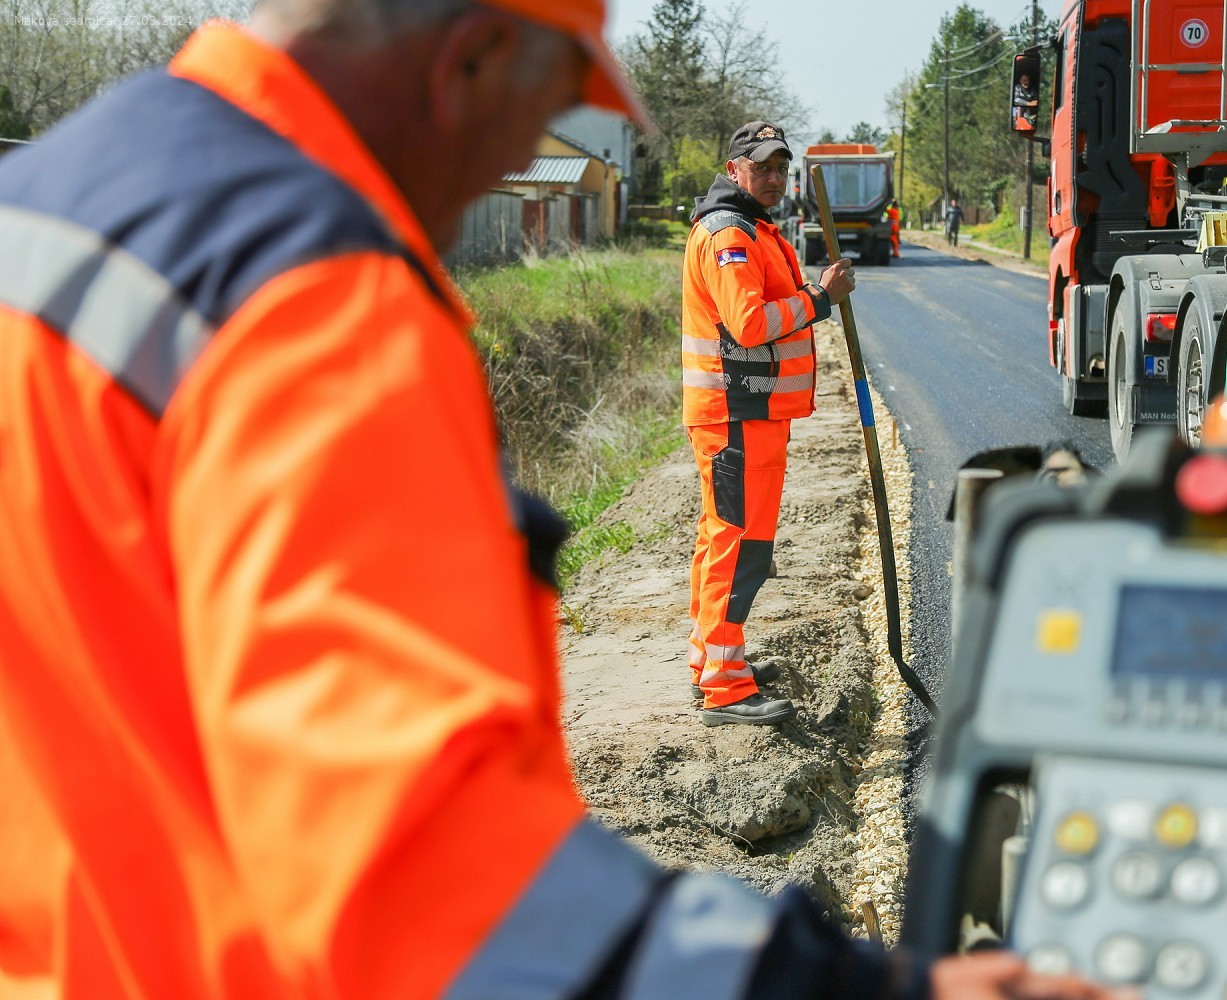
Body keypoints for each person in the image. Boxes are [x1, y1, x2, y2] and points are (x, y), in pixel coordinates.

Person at [0, 2, 1133, 998]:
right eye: (545, 108)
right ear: (470, 58)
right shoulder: (317, 309)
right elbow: (433, 878)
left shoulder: (54, 199)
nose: (523, 159)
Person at [681, 120, 853, 726]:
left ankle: (711, 658)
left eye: (781, 167)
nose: (775, 178)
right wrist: (821, 299)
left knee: (721, 540)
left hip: (747, 414)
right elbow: (750, 325)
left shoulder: (752, 228)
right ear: (735, 170)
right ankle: (725, 688)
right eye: (762, 167)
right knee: (739, 549)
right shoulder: (730, 234)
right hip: (738, 416)